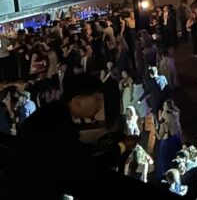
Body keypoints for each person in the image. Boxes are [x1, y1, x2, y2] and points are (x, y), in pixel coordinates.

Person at [3, 72, 139, 199]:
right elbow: (84, 167)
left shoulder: (52, 115)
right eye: (97, 100)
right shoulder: (58, 125)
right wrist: (121, 147)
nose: (99, 107)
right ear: (78, 101)